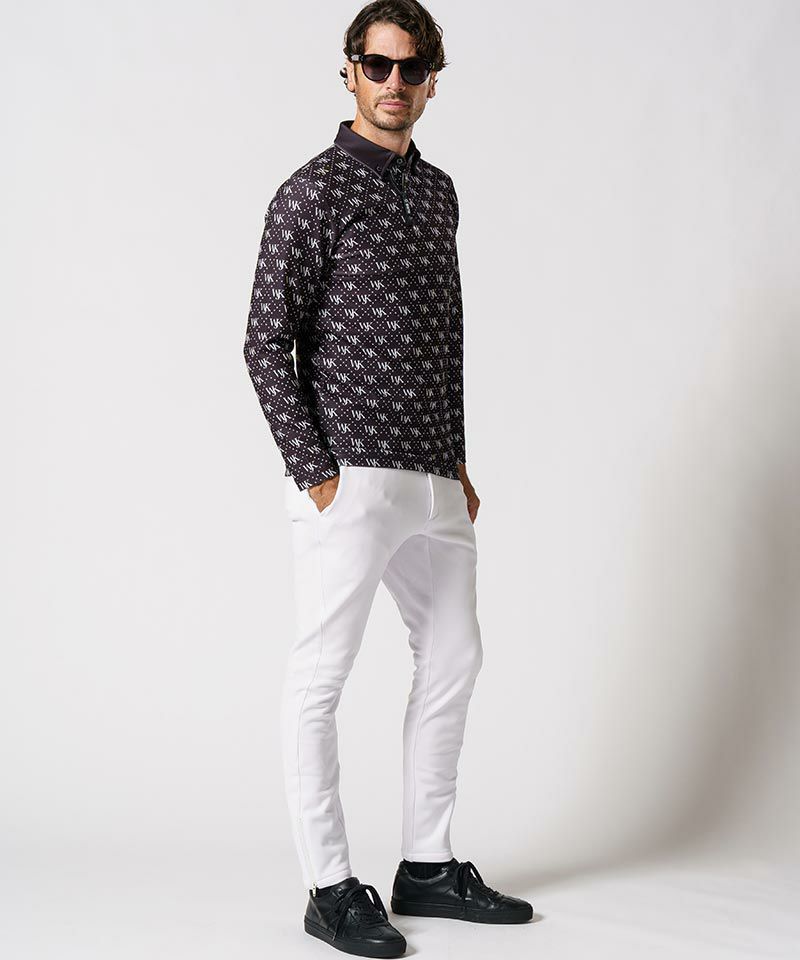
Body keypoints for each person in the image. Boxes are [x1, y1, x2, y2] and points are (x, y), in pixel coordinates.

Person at [243, 1, 533, 954]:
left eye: (411, 68)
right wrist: (317, 473)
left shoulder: (439, 192)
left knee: (455, 655)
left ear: (433, 80)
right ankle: (330, 886)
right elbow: (264, 342)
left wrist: (458, 459)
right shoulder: (312, 192)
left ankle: (428, 865)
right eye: (378, 65)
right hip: (352, 475)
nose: (394, 83)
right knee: (321, 677)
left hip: (435, 476)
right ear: (350, 71)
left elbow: (442, 333)